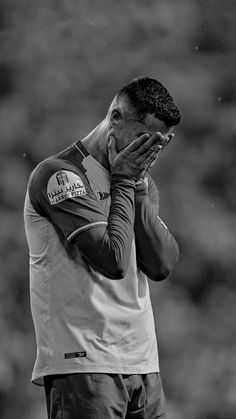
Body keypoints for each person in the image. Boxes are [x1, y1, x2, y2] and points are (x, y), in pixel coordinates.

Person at [24, 76, 181, 419]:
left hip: (144, 366)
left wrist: (135, 185)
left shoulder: (138, 181)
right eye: (143, 139)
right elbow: (112, 261)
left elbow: (162, 266)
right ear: (115, 117)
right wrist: (125, 182)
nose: (149, 152)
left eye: (158, 145)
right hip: (84, 365)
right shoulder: (60, 176)